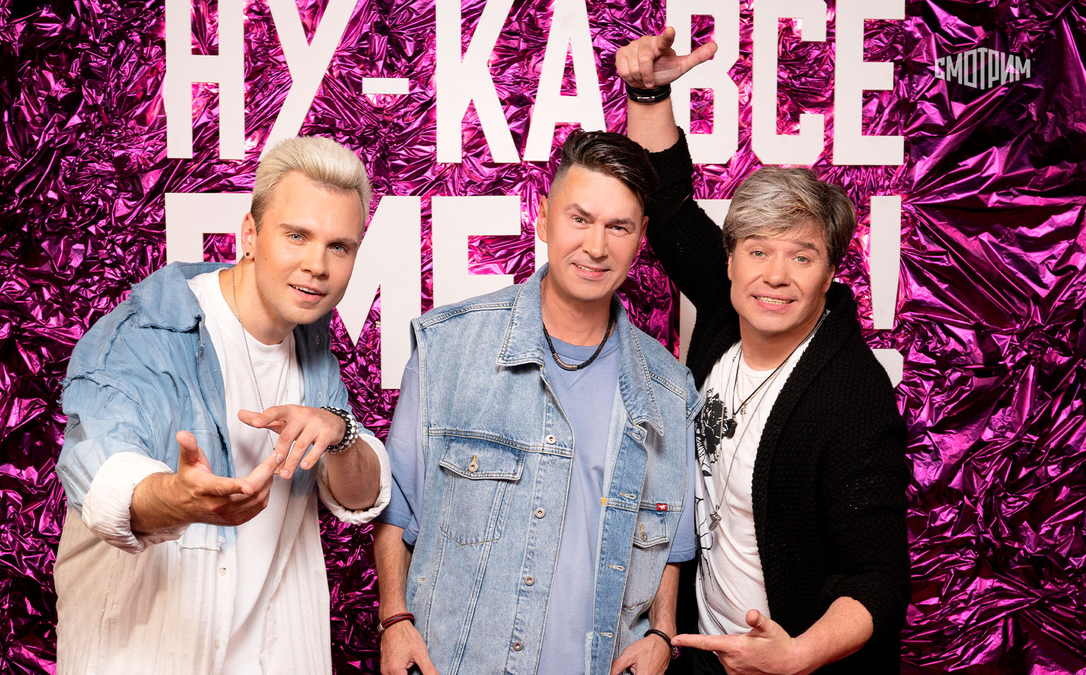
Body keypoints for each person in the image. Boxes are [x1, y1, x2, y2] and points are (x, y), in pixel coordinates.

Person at [617, 29, 912, 675]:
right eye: (758, 251)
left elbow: (878, 575)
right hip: (702, 655)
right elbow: (667, 207)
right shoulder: (728, 311)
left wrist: (796, 656)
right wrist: (648, 93)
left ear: (830, 272)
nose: (775, 276)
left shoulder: (852, 395)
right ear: (730, 260)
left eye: (802, 256)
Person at [53, 136, 391, 675]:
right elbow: (100, 476)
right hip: (149, 657)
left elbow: (361, 497)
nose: (317, 265)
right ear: (249, 234)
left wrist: (341, 432)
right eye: (297, 236)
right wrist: (182, 499)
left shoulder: (309, 339)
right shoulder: (147, 333)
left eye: (339, 247)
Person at [373, 130, 701, 675]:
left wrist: (663, 634)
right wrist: (394, 619)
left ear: (641, 237)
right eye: (580, 219)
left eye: (618, 227)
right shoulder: (449, 348)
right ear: (544, 217)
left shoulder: (669, 389)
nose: (596, 247)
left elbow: (671, 545)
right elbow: (398, 507)